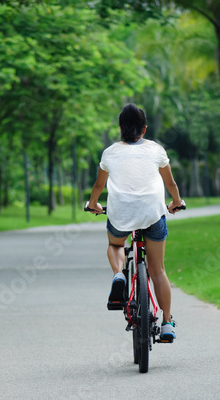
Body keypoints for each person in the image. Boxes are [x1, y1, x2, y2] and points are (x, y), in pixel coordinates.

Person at [86, 103, 184, 342]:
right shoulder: (156, 150)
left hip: (120, 213)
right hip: (152, 212)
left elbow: (99, 186)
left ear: (120, 128)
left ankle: (119, 274)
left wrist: (92, 204)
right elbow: (170, 184)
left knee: (117, 245)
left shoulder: (110, 153)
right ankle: (168, 322)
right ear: (145, 128)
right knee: (157, 270)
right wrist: (176, 202)